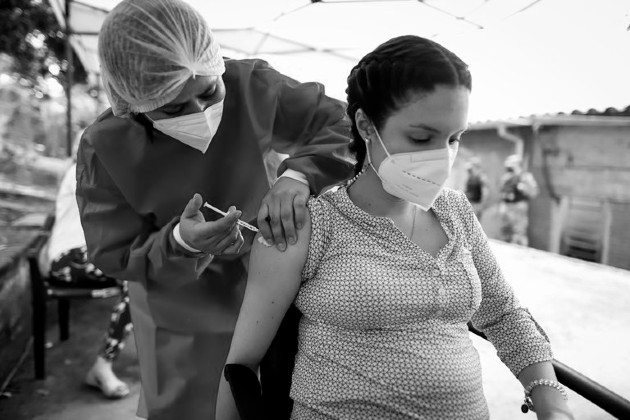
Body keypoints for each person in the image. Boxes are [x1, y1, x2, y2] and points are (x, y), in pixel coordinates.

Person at [217, 35, 574, 420]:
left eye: (454, 138)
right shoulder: (309, 225)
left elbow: (503, 314)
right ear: (366, 126)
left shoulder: (455, 212)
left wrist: (552, 403)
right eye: (421, 138)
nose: (442, 156)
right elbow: (240, 368)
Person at [75, 0, 354, 418]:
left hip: (272, 288)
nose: (200, 114)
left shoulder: (251, 85)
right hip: (182, 319)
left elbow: (344, 125)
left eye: (209, 92)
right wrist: (181, 242)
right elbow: (113, 251)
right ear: (133, 100)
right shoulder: (105, 146)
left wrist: (298, 176)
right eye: (172, 108)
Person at [47, 161, 132, 399]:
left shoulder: (105, 167)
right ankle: (103, 367)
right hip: (68, 257)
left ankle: (108, 364)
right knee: (136, 277)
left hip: (91, 254)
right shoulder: (87, 167)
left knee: (143, 271)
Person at [498, 154, 539, 246]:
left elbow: (534, 192)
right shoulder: (506, 177)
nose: (509, 166)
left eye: (512, 163)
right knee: (505, 233)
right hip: (506, 207)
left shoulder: (525, 177)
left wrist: (525, 188)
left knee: (519, 235)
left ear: (518, 164)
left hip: (518, 207)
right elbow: (501, 190)